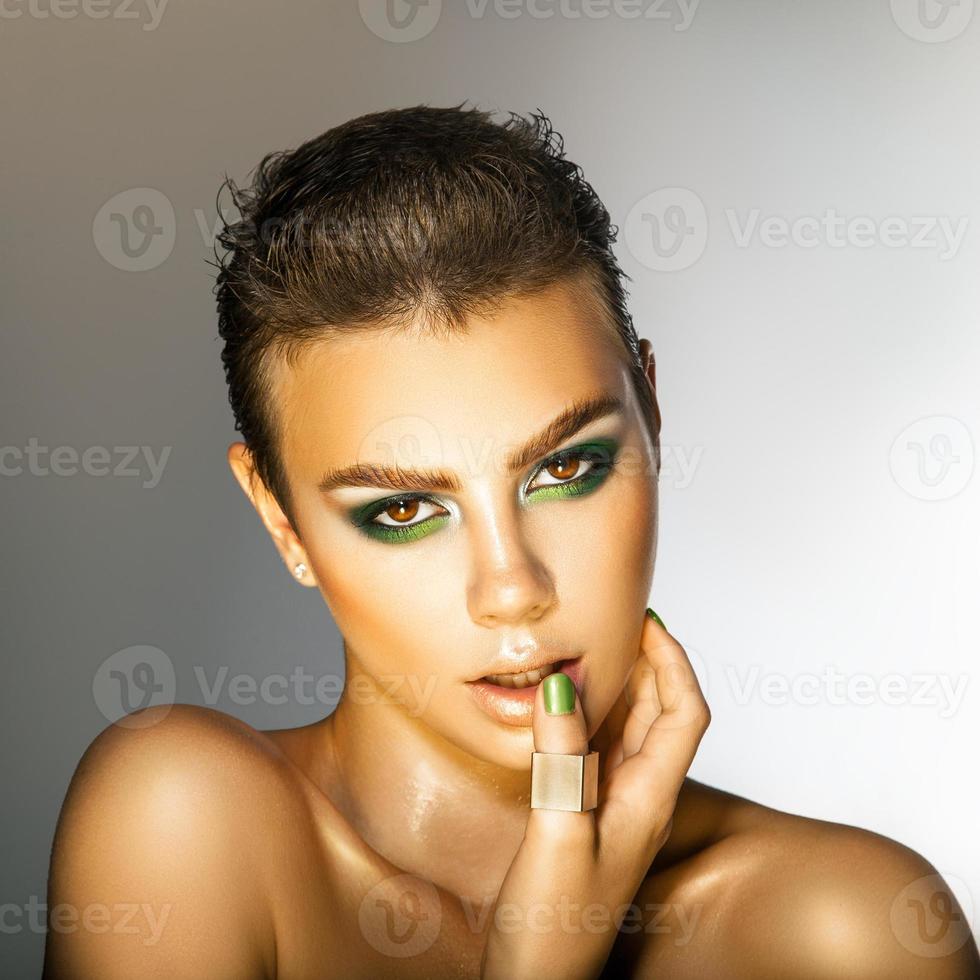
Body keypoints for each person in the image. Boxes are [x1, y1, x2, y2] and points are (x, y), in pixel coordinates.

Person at [44, 104, 979, 979]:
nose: (511, 588)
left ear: (652, 414)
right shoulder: (181, 826)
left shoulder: (845, 929)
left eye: (564, 471)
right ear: (281, 519)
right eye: (405, 511)